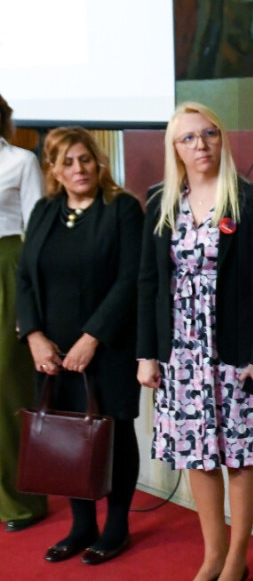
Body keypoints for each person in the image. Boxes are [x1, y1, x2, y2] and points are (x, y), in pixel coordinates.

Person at [137, 103, 253, 581]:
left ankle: (237, 558)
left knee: (238, 455)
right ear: (175, 149)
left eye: (210, 134)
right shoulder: (159, 200)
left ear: (221, 139)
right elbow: (148, 282)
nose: (201, 145)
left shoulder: (250, 199)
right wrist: (146, 354)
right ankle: (213, 555)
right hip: (179, 352)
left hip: (233, 351)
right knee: (197, 456)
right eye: (189, 138)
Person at [17, 127, 143, 564]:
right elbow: (25, 277)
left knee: (114, 433)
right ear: (53, 169)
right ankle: (82, 525)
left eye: (85, 159)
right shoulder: (45, 210)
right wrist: (33, 336)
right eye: (67, 162)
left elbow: (130, 279)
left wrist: (92, 338)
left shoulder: (122, 208)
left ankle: (116, 527)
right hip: (52, 352)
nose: (78, 169)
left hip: (107, 347)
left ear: (97, 161)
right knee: (67, 436)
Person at [0, 94, 47, 533]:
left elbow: (38, 233)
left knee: (8, 387)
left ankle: (22, 500)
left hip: (7, 268)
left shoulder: (20, 161)